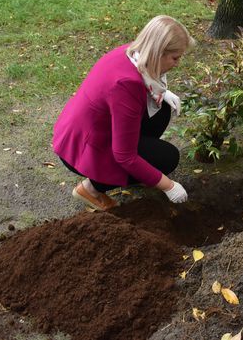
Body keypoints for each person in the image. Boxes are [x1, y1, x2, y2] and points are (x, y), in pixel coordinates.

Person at [53, 15, 194, 211]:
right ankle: (91, 188)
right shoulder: (126, 86)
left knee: (160, 110)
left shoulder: (133, 54)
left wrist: (163, 92)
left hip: (86, 129)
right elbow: (124, 156)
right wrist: (168, 186)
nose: (177, 63)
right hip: (81, 147)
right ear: (157, 52)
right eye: (175, 57)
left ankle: (139, 170)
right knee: (167, 158)